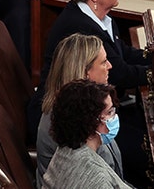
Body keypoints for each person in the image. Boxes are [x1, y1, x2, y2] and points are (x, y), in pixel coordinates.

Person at [38, 0, 153, 179]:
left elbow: (123, 54)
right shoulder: (81, 27)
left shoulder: (101, 18)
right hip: (69, 121)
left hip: (94, 110)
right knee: (145, 150)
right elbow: (120, 72)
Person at [36, 34, 124, 186]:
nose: (110, 66)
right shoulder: (69, 119)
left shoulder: (91, 107)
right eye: (103, 62)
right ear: (85, 72)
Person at [43, 79, 132, 189]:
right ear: (91, 121)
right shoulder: (97, 180)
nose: (114, 116)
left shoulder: (65, 150)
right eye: (109, 112)